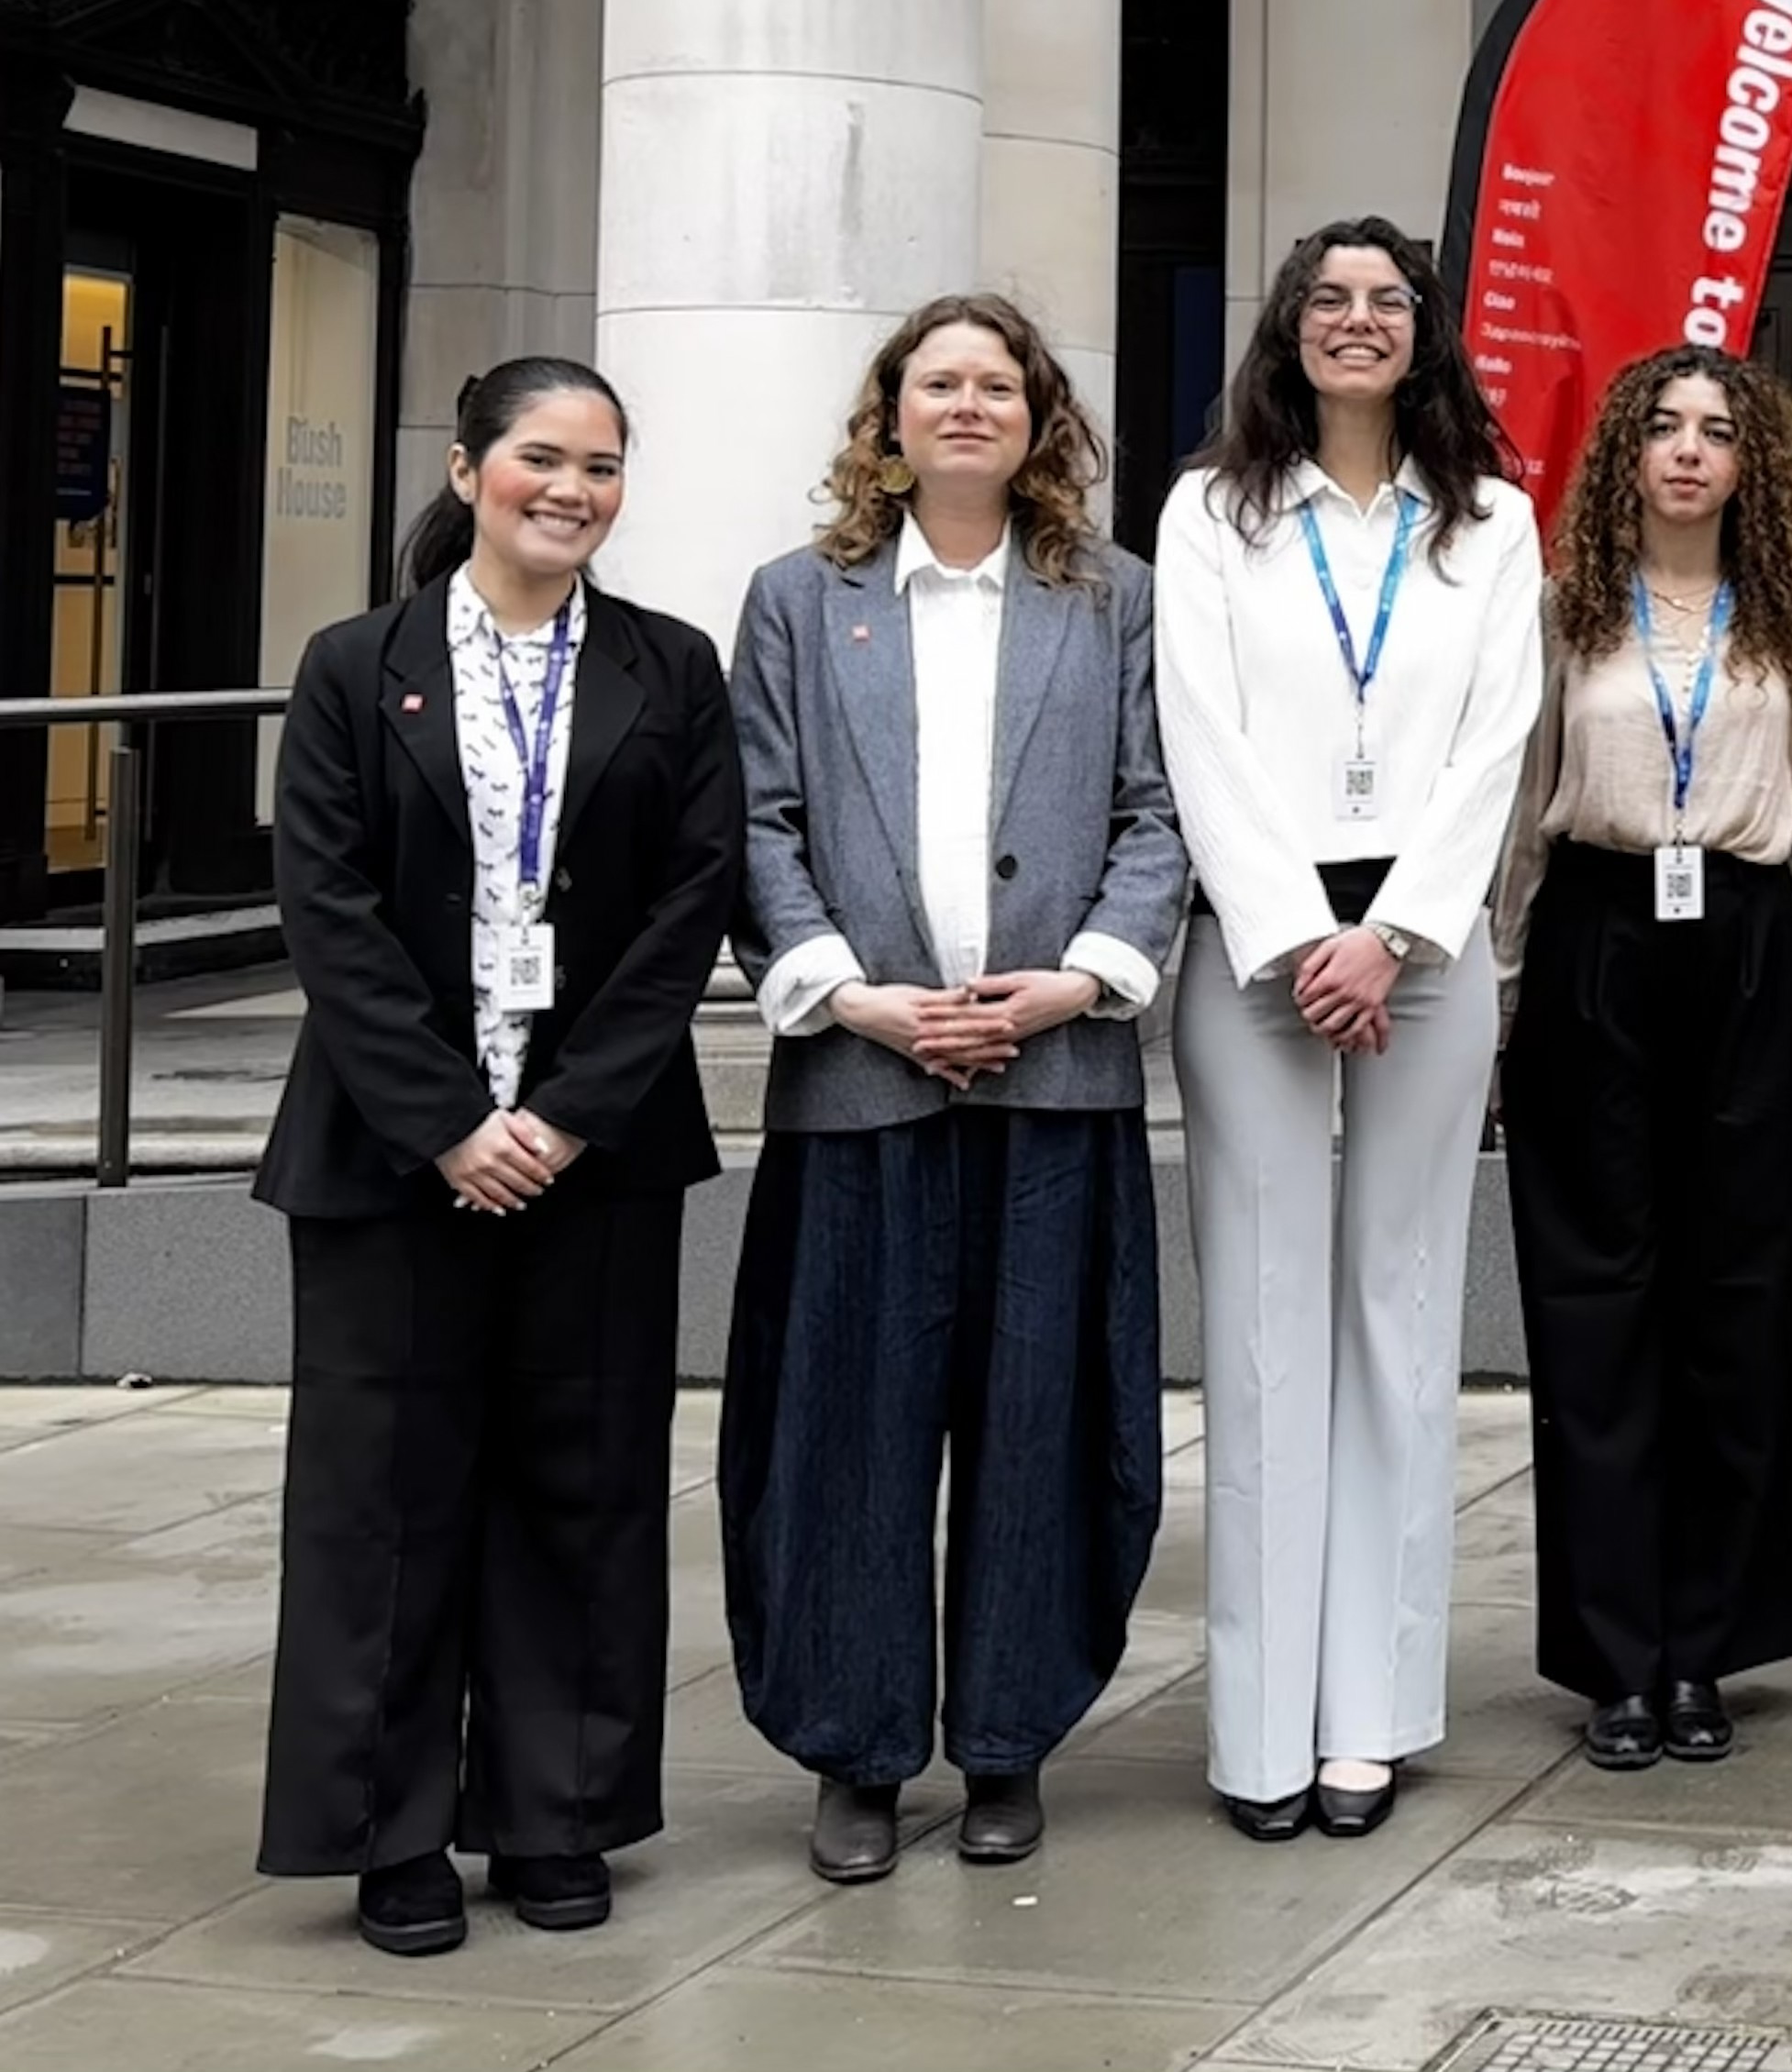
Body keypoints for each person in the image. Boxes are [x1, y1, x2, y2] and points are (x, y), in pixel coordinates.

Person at [256, 358, 739, 1956]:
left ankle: (557, 1812)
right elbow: (326, 914)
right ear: (468, 469)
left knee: (581, 1484)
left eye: (604, 465)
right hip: (395, 1153)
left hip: (593, 1151)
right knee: (383, 1497)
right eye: (544, 457)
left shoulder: (671, 669)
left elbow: (690, 905)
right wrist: (453, 1120)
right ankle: (387, 1828)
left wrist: (561, 1111)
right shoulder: (352, 665)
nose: (574, 489)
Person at [718, 292, 1189, 1884]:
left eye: (1000, 383)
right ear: (892, 415)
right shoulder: (798, 598)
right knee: (846, 1424)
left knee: (1043, 1420)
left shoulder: (1111, 597)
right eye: (941, 382)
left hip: (1055, 1077)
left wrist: (1080, 980)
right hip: (861, 1083)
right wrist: (858, 998)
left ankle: (1006, 1735)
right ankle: (857, 1749)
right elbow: (761, 826)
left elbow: (1154, 811)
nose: (969, 405)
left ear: (1039, 416)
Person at [1156, 217, 1543, 1839]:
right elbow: (1197, 725)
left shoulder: (1494, 521)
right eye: (1330, 300)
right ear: (1289, 330)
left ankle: (1370, 1713)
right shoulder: (1210, 512)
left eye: (1388, 301)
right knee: (1261, 1327)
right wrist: (1305, 931)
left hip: (1430, 947)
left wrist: (1392, 934)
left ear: (1425, 332)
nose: (1359, 321)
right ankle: (1259, 1726)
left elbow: (1497, 731)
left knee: (1394, 1318)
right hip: (1257, 943)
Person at [1498, 345, 1792, 1769]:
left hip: (1738, 948)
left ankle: (1706, 1647)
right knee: (1598, 1303)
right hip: (1598, 940)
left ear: (1749, 464)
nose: (1686, 450)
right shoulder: (1565, 609)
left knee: (1737, 1294)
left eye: (1717, 431)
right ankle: (1616, 1653)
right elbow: (1523, 807)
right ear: (1627, 452)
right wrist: (1498, 991)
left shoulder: (1783, 613)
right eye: (1662, 427)